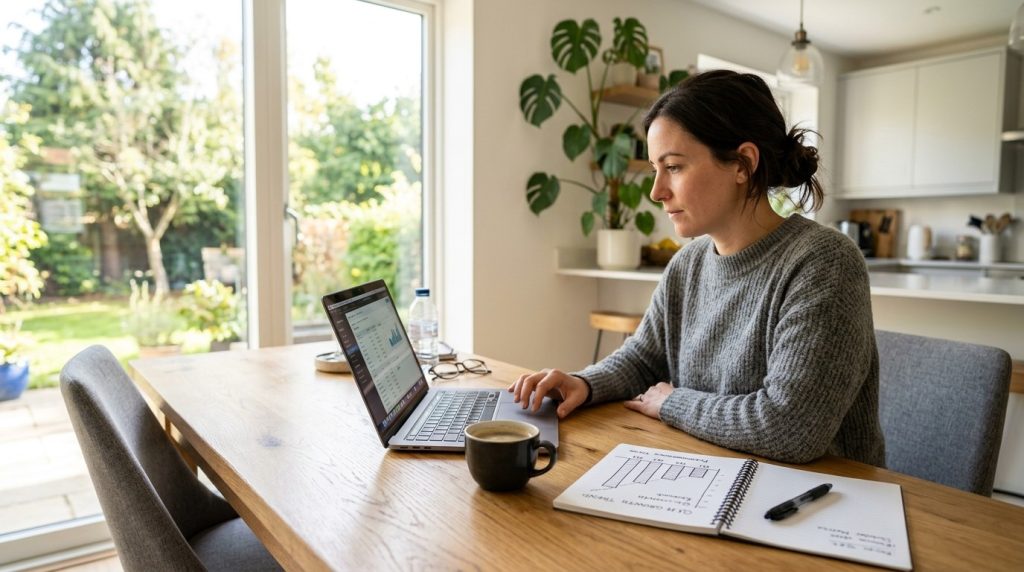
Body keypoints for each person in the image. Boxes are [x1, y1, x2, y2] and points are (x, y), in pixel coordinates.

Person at [510, 70, 885, 466]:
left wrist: (673, 403)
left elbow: (790, 428)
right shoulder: (687, 264)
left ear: (743, 164)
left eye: (673, 167)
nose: (656, 191)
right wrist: (584, 383)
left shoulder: (824, 264)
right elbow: (642, 359)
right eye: (656, 168)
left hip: (821, 500)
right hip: (710, 471)